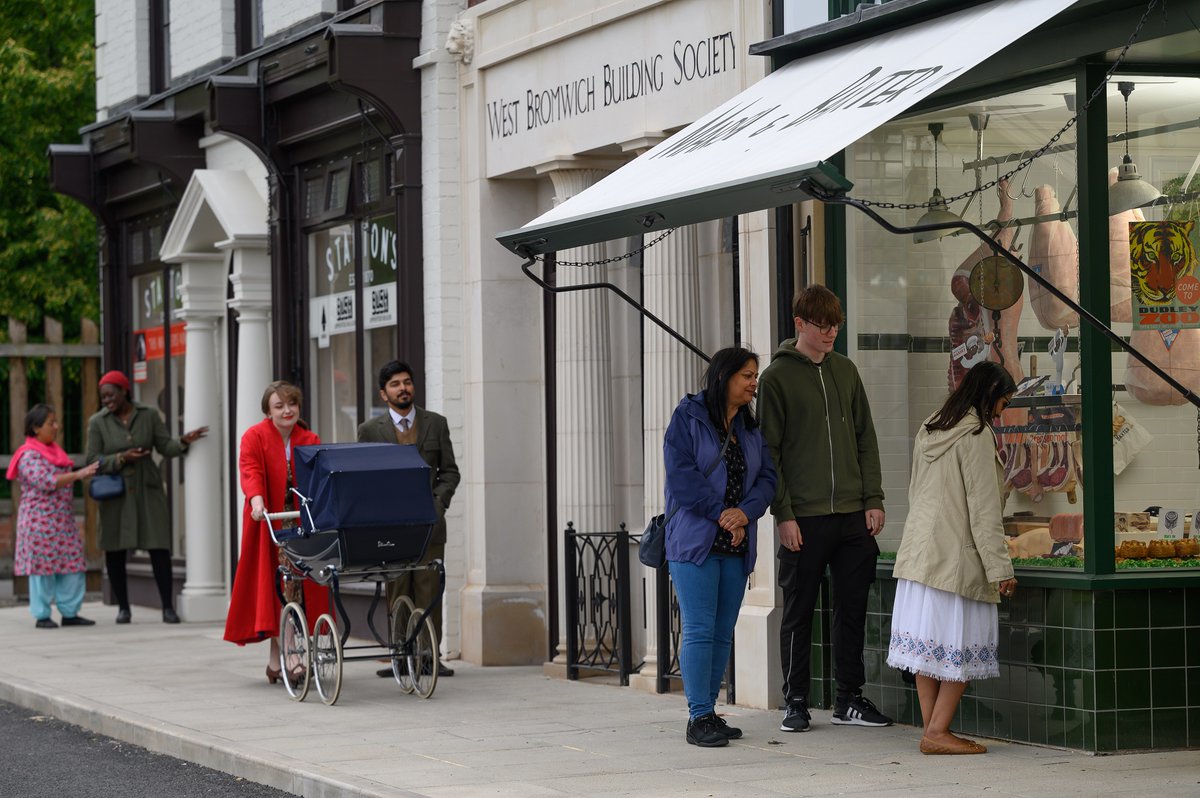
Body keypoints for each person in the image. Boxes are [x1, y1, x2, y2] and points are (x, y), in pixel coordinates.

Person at [758, 285, 892, 732]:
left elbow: (865, 438)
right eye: (822, 324)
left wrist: (872, 498)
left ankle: (849, 698)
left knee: (852, 608)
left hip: (853, 515)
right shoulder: (776, 378)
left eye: (836, 323)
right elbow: (770, 453)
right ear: (800, 324)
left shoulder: (846, 372)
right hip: (804, 518)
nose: (831, 331)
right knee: (799, 611)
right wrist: (784, 514)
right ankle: (795, 701)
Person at [887, 362, 1017, 755]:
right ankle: (938, 732)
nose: (1000, 413)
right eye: (1001, 404)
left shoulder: (932, 425)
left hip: (919, 555)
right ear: (989, 393)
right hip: (956, 561)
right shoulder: (975, 434)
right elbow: (983, 511)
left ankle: (932, 729)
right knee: (961, 645)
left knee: (928, 651)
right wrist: (1001, 569)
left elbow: (915, 491)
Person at [664, 347, 778, 748]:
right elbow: (682, 477)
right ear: (724, 377)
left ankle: (710, 711)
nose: (753, 383)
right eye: (746, 375)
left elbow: (767, 478)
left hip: (735, 541)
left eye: (754, 376)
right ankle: (697, 716)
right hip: (695, 541)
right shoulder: (688, 417)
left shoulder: (749, 426)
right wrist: (722, 513)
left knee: (721, 631)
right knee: (699, 628)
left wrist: (744, 514)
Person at [358, 360, 460, 678]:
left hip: (429, 524)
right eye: (395, 384)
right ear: (383, 394)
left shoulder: (436, 423)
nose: (403, 388)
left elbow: (450, 472)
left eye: (407, 382)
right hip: (391, 526)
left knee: (429, 588)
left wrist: (438, 503)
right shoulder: (369, 430)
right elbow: (364, 478)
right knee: (399, 589)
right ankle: (401, 657)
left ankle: (429, 657)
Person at [224, 381, 330, 684]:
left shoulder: (309, 438)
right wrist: (256, 499)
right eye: (279, 406)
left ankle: (277, 661)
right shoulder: (254, 436)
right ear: (268, 411)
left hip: (302, 522)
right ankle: (290, 654)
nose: (287, 411)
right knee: (280, 589)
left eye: (291, 404)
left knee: (300, 587)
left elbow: (319, 477)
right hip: (270, 522)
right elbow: (250, 470)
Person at [85, 370, 208, 624]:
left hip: (147, 490)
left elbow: (165, 447)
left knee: (158, 547)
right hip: (115, 494)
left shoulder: (148, 415)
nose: (107, 400)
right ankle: (123, 608)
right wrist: (121, 458)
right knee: (115, 550)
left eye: (111, 395)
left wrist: (184, 440)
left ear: (124, 391)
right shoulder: (98, 422)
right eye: (103, 397)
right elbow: (92, 461)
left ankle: (167, 607)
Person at [8, 404, 100, 628]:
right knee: (41, 569)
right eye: (51, 423)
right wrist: (78, 474)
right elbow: (46, 481)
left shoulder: (55, 451)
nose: (56, 427)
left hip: (62, 521)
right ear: (36, 428)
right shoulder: (28, 455)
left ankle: (70, 613)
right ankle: (42, 615)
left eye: (56, 421)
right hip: (39, 523)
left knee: (72, 565)